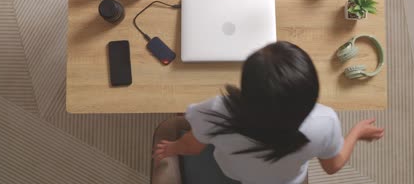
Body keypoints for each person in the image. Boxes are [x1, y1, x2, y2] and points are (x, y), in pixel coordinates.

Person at [153, 41, 384, 184]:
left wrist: (173, 148)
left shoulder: (218, 111)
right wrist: (356, 132)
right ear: (310, 94)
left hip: (233, 172)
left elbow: (193, 146)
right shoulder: (325, 122)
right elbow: (332, 167)